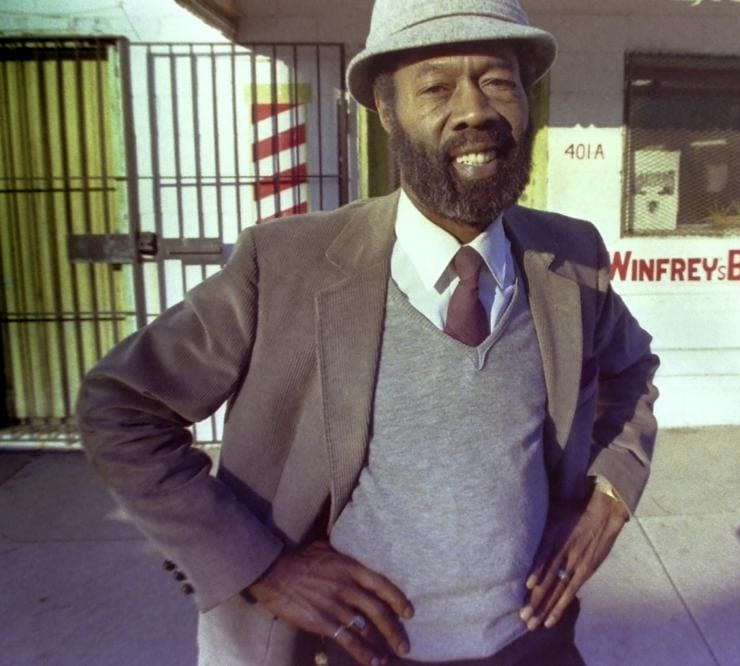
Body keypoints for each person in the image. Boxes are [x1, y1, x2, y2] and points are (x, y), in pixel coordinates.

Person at [76, 1, 659, 664]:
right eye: (436, 87)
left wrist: (611, 491)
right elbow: (120, 404)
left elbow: (633, 374)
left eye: (498, 81)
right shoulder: (284, 267)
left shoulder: (569, 258)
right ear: (386, 112)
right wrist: (258, 566)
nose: (474, 109)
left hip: (531, 649)